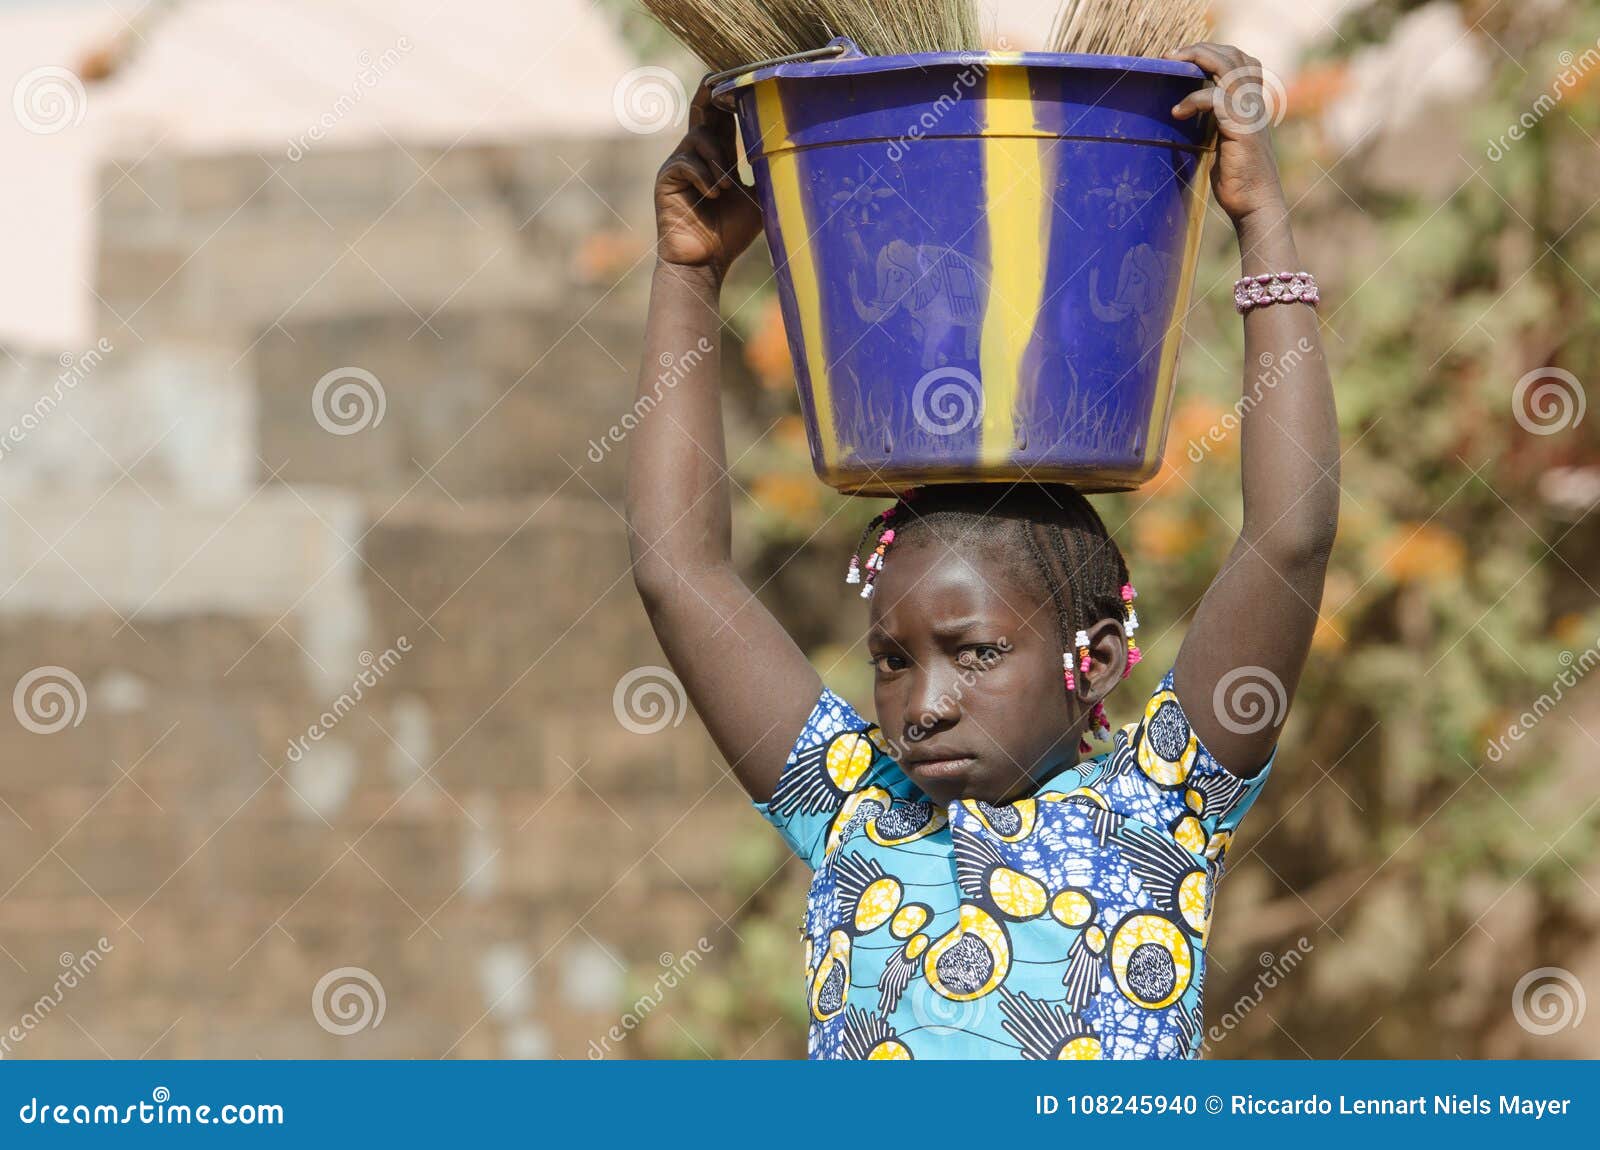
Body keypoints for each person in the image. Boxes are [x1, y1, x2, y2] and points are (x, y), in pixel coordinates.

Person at [625, 43, 1338, 1058]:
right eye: (892, 659)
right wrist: (687, 275)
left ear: (1090, 662)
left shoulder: (1161, 808)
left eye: (977, 651)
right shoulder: (850, 810)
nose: (924, 703)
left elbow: (1291, 537)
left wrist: (1262, 222)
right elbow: (676, 569)